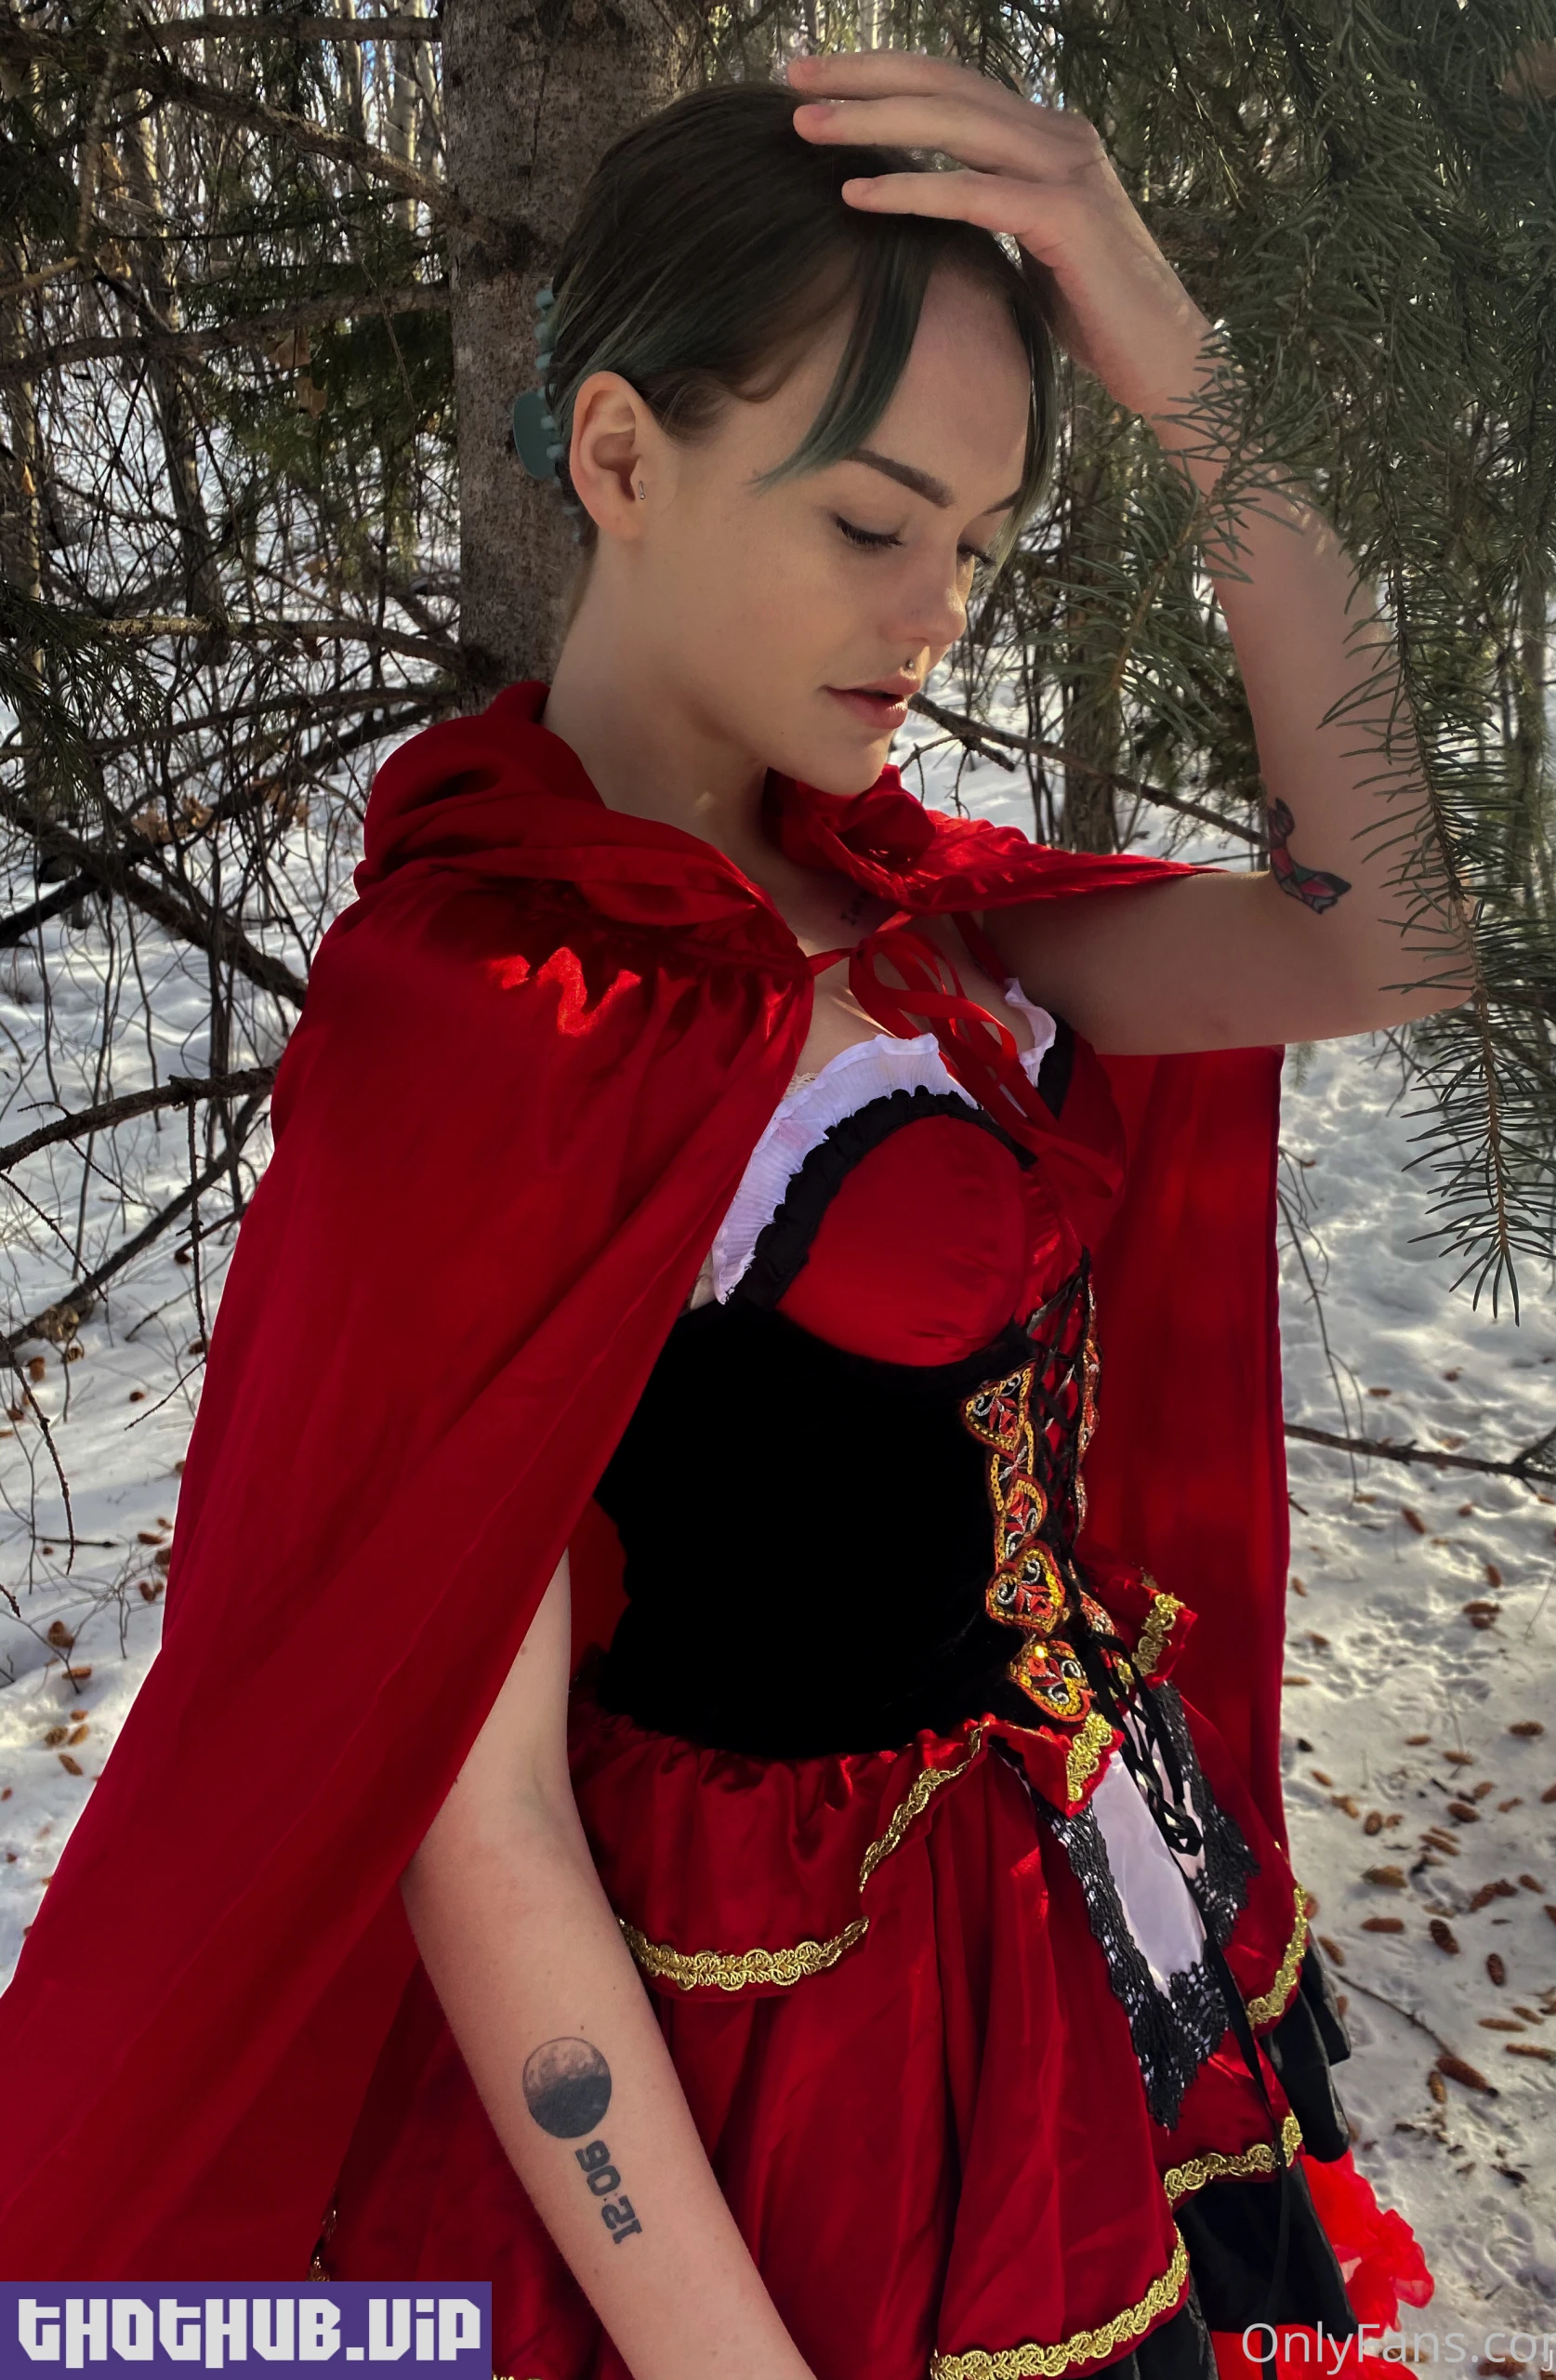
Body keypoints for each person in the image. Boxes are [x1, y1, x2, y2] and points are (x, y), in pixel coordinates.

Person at [0, 51, 1461, 2380]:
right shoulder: (485, 1019)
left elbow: (1383, 931)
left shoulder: (913, 911)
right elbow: (472, 1820)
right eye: (874, 520)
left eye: (980, 543)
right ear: (617, 453)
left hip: (1070, 1939)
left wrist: (1186, 372)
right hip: (760, 2077)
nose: (938, 611)